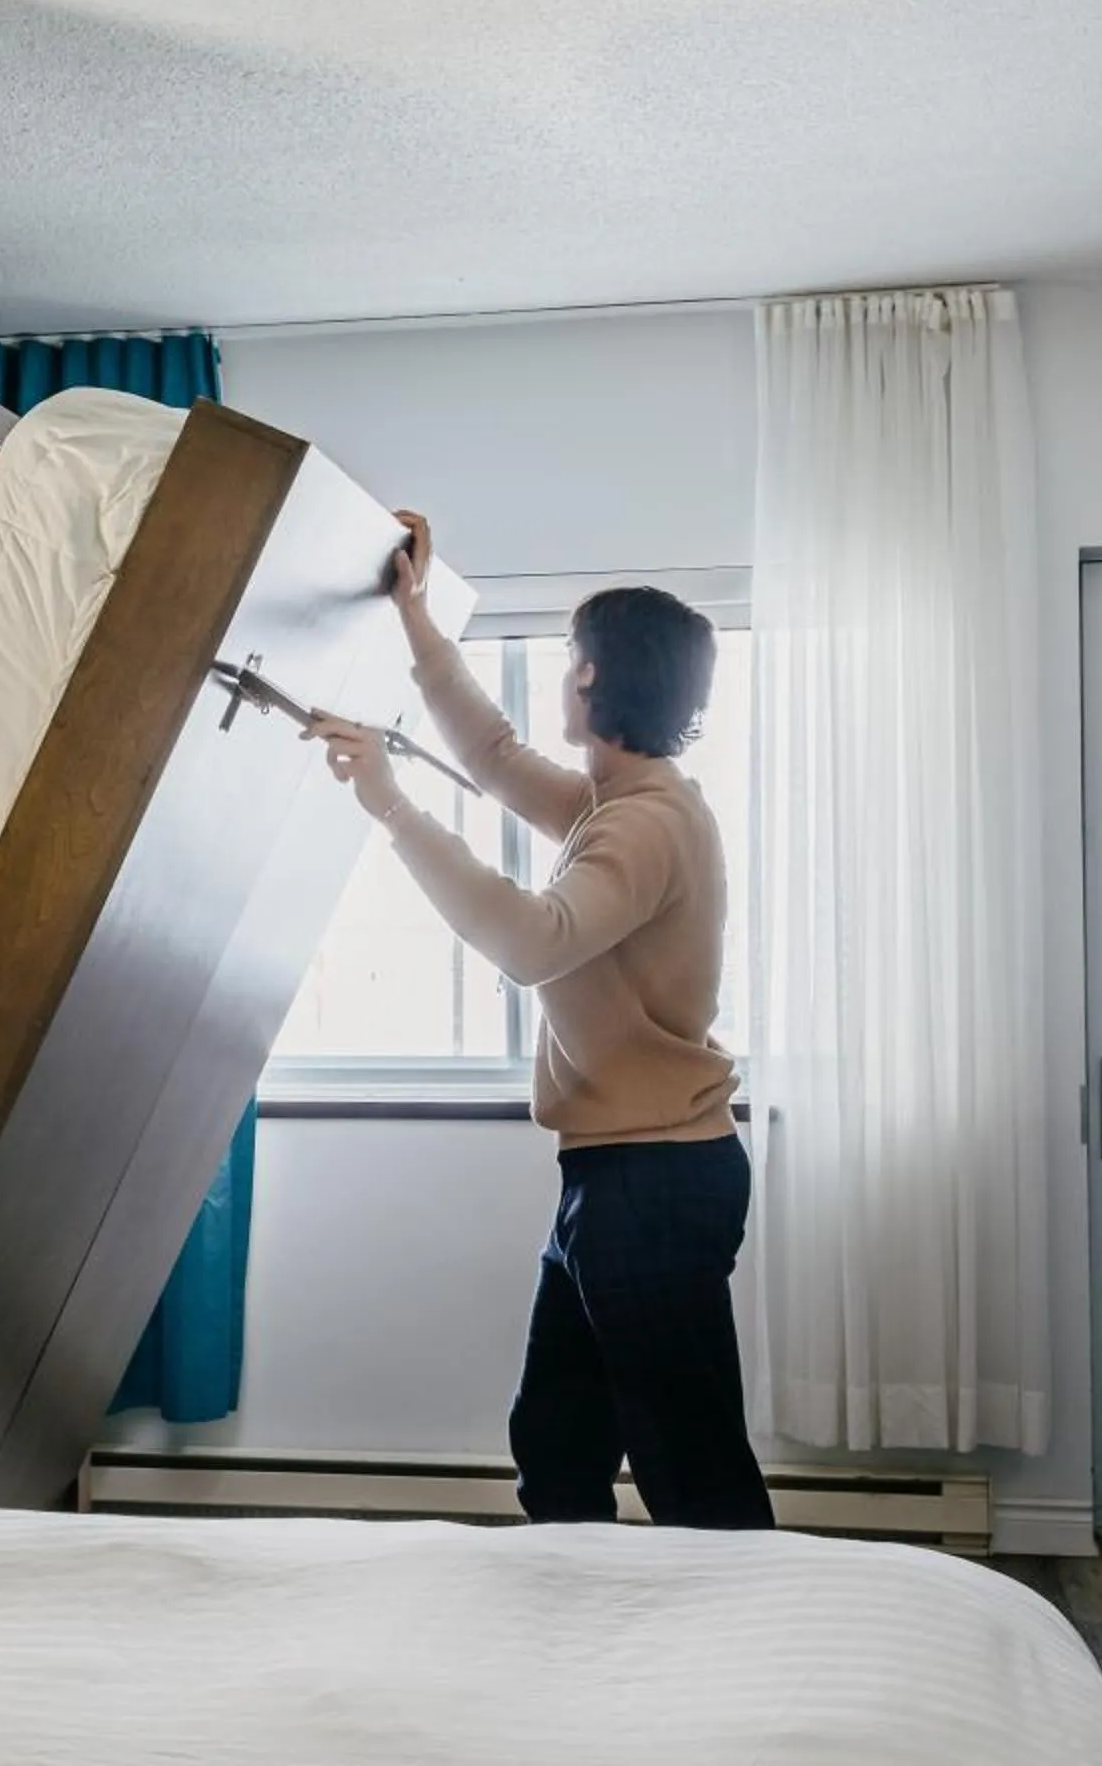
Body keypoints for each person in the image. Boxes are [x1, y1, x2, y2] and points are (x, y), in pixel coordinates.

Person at [308, 512, 773, 1531]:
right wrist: (415, 619)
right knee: (557, 1448)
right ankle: (568, 1653)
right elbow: (494, 751)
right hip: (614, 1177)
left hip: (652, 1181)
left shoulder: (644, 824)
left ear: (595, 677)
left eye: (569, 657)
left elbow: (531, 941)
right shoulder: (622, 800)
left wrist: (391, 805)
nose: (563, 672)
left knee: (692, 1471)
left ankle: (752, 1667)